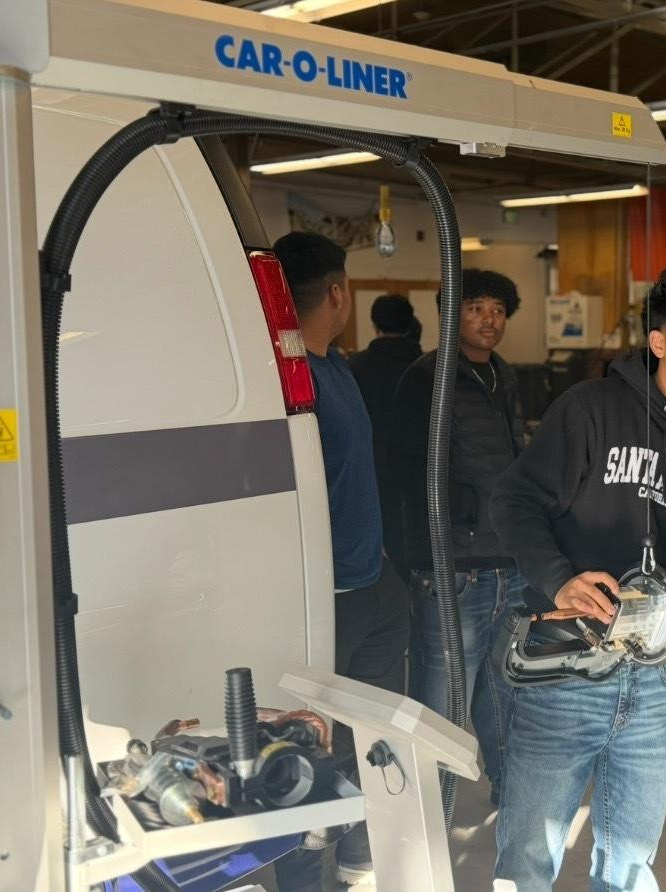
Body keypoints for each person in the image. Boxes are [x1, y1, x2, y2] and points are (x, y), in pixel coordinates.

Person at [491, 261, 666, 891]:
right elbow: (514, 501)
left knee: (630, 864)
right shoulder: (591, 410)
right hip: (562, 670)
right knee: (527, 863)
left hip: (652, 684)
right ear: (658, 341)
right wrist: (559, 579)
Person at [272, 232, 410, 888]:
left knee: (369, 727)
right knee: (313, 739)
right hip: (326, 599)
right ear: (336, 292)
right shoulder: (291, 375)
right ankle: (303, 870)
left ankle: (359, 845)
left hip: (371, 583)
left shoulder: (335, 367)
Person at [388, 268, 526, 802]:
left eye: (497, 310)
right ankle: (425, 809)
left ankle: (512, 795)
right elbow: (404, 471)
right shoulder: (427, 379)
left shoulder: (503, 376)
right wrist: (423, 557)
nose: (488, 320)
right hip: (453, 567)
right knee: (443, 698)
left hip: (505, 562)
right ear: (450, 314)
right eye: (475, 309)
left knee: (504, 692)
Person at [347, 293, 423, 567]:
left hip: (370, 474)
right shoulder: (428, 368)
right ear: (410, 322)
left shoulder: (353, 367)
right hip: (422, 477)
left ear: (374, 323)